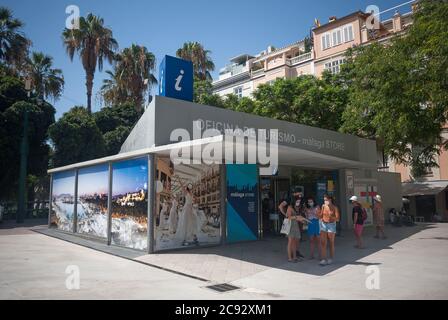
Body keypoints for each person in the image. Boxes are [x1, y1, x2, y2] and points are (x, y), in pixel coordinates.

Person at [318, 194, 340, 266]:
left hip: (331, 225)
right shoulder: (323, 206)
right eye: (324, 200)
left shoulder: (335, 207)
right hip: (323, 224)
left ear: (330, 200)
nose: (325, 201)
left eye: (326, 200)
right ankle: (323, 259)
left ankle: (331, 258)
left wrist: (332, 217)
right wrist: (318, 214)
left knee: (331, 242)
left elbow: (338, 218)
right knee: (323, 242)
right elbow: (321, 215)